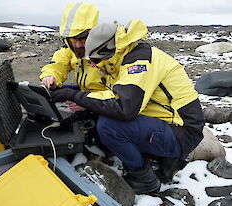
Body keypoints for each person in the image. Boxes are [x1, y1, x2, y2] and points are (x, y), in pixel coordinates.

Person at [50, 20, 204, 194]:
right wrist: (69, 92)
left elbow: (124, 107)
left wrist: (76, 97)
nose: (93, 65)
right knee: (100, 113)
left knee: (108, 126)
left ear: (106, 50)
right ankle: (156, 157)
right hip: (165, 121)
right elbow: (110, 94)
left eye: (94, 60)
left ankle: (145, 179)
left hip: (182, 132)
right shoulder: (120, 58)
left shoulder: (139, 61)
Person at [40, 2, 108, 111]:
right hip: (85, 93)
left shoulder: (108, 51)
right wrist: (50, 76)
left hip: (105, 101)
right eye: (72, 39)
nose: (77, 45)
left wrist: (87, 103)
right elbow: (58, 64)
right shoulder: (69, 48)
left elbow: (120, 97)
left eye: (82, 38)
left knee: (104, 125)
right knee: (52, 94)